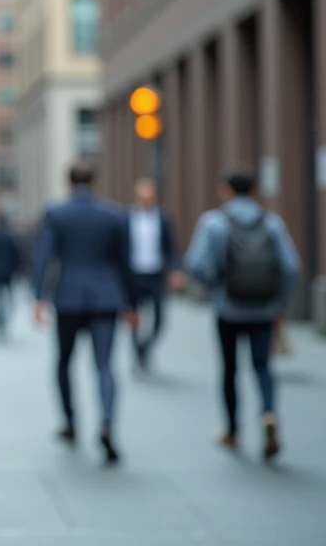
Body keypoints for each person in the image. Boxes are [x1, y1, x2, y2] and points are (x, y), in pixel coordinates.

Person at [184, 168, 299, 460]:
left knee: (230, 369)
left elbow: (195, 264)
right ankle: (269, 413)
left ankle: (233, 430)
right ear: (254, 191)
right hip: (263, 308)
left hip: (229, 309)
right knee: (263, 366)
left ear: (225, 190)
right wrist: (279, 300)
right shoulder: (272, 223)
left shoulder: (213, 222)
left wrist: (216, 287)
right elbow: (290, 266)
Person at [32, 162, 136, 464]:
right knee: (105, 365)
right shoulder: (114, 214)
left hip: (69, 297)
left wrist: (39, 297)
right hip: (107, 297)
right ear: (94, 180)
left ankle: (70, 422)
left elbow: (44, 255)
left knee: (64, 362)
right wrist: (131, 304)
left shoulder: (57, 212)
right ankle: (107, 422)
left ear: (68, 181)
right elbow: (124, 262)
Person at [127, 178, 183, 371]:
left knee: (160, 319)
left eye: (149, 196)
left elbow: (171, 246)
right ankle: (137, 351)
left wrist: (176, 270)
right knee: (134, 317)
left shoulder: (163, 217)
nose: (146, 200)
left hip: (155, 274)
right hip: (133, 275)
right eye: (142, 196)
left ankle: (144, 348)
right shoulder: (126, 218)